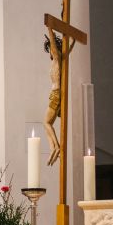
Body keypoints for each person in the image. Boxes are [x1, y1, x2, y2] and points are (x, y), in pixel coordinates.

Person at [43, 26, 75, 166]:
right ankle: (53, 148)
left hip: (55, 94)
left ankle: (56, 147)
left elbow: (57, 49)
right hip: (56, 94)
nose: (50, 51)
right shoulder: (61, 59)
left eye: (50, 48)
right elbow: (68, 51)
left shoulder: (56, 59)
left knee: (46, 122)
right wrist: (72, 39)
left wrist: (50, 28)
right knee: (47, 123)